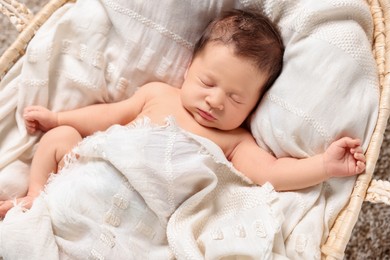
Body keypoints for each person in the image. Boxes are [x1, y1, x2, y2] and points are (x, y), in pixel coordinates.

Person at [0, 9, 365, 218]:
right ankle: (35, 197)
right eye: (208, 82)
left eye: (237, 99)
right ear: (189, 68)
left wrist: (325, 166)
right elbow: (107, 116)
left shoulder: (235, 140)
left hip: (142, 213)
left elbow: (273, 172)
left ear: (256, 105)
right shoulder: (158, 95)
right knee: (59, 140)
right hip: (92, 174)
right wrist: (59, 119)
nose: (215, 101)